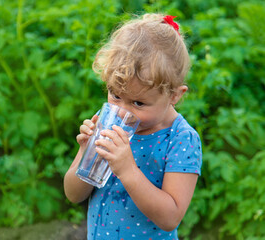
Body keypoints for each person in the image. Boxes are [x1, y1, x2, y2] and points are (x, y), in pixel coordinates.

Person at [63, 13, 202, 239]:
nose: (121, 111)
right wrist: (86, 152)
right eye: (115, 95)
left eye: (138, 103)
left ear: (174, 95)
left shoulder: (181, 139)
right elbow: (73, 194)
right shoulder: (107, 120)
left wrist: (127, 170)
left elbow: (170, 218)